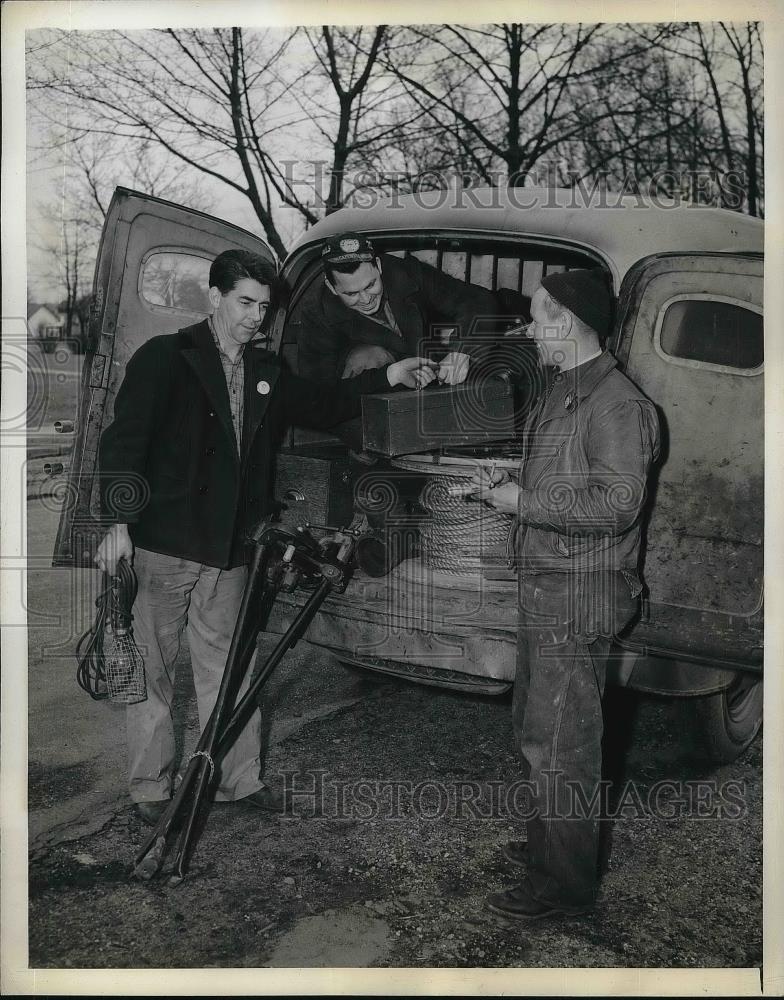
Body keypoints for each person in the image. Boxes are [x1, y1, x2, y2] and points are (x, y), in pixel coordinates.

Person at [95, 248, 435, 826]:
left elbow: (325, 404)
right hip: (165, 541)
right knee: (153, 668)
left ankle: (237, 780)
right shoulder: (165, 358)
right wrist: (116, 524)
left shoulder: (265, 371)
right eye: (244, 302)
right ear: (215, 298)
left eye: (263, 306)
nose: (255, 317)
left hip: (229, 546)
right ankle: (151, 787)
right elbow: (121, 444)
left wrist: (390, 375)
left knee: (231, 666)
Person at [471, 268, 660, 920]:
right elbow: (564, 478)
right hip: (550, 581)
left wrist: (525, 500)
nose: (528, 329)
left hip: (581, 590)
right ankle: (551, 856)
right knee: (539, 733)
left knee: (562, 747)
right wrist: (513, 483)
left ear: (568, 321)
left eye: (536, 317)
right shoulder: (563, 390)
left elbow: (617, 503)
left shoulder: (617, 403)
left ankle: (562, 890)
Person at [296, 232, 508, 387]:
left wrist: (462, 350)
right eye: (351, 294)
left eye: (371, 285)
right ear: (331, 286)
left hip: (430, 376)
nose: (366, 299)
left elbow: (476, 300)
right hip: (367, 403)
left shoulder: (405, 272)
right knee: (368, 358)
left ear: (378, 266)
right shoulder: (318, 313)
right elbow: (319, 394)